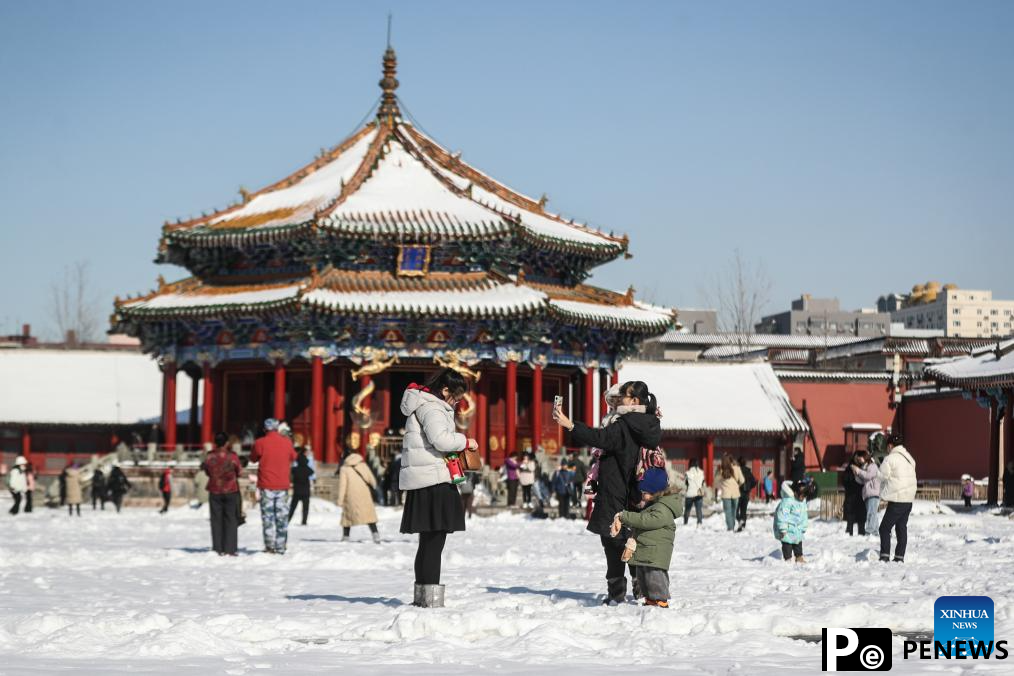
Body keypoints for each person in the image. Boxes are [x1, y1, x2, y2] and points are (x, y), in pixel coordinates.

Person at [553, 380, 661, 606]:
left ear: (634, 401)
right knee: (632, 539)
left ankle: (616, 593)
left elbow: (600, 438)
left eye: (624, 395)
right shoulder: (648, 423)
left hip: (615, 491)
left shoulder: (624, 424)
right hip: (636, 494)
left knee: (613, 542)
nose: (619, 398)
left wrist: (570, 425)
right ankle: (640, 587)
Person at [399, 370, 477, 608]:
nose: (457, 402)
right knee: (434, 542)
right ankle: (430, 600)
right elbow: (441, 440)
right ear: (445, 391)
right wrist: (466, 441)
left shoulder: (422, 404)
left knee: (428, 542)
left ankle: (422, 595)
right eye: (457, 397)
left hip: (425, 479)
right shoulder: (432, 407)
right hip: (434, 479)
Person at [611, 467, 683, 607]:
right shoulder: (654, 505)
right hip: (647, 550)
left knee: (655, 577)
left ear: (655, 491)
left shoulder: (662, 508)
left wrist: (626, 516)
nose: (642, 494)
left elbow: (646, 520)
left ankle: (660, 601)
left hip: (655, 553)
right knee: (643, 577)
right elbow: (643, 523)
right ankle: (650, 600)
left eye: (644, 492)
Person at [250, 418, 297, 554]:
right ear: (277, 428)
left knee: (268, 517)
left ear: (265, 429)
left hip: (266, 485)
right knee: (282, 517)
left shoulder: (260, 443)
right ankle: (281, 545)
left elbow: (253, 458)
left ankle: (269, 546)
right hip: (282, 485)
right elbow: (294, 457)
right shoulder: (287, 442)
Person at [878, 434, 917, 563]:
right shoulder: (909, 458)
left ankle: (884, 556)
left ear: (890, 446)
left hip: (897, 499)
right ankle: (899, 557)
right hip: (908, 499)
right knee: (901, 527)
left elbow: (881, 476)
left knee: (884, 528)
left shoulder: (890, 459)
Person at [202, 432, 242, 556]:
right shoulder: (233, 456)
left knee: (216, 519)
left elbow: (207, 471)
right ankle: (230, 549)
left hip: (215, 490)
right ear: (226, 443)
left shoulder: (209, 456)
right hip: (231, 490)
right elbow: (239, 471)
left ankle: (218, 548)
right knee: (231, 519)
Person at [337, 452, 381, 543]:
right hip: (365, 494)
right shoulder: (363, 465)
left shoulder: (344, 469)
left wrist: (340, 500)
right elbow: (372, 481)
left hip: (350, 495)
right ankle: (375, 535)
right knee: (369, 516)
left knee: (347, 516)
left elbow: (343, 485)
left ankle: (345, 536)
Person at [774, 479, 810, 563]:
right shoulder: (787, 501)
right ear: (795, 492)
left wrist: (804, 526)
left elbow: (804, 514)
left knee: (798, 543)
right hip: (788, 529)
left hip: (797, 528)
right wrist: (783, 528)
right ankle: (788, 559)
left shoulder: (803, 502)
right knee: (787, 544)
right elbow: (782, 515)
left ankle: (799, 557)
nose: (803, 498)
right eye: (801, 495)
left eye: (804, 496)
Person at [852, 452, 880, 536]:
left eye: (860, 458)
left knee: (871, 513)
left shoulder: (872, 466)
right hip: (867, 493)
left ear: (865, 457)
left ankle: (869, 531)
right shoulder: (864, 467)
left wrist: (859, 471)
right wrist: (856, 474)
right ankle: (875, 531)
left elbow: (868, 476)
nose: (859, 460)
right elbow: (862, 481)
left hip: (873, 492)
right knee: (872, 512)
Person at [714, 455, 745, 532]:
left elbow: (716, 481)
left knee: (728, 511)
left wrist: (722, 484)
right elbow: (742, 480)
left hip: (726, 494)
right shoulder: (737, 468)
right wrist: (737, 485)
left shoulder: (721, 470)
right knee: (734, 511)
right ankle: (732, 526)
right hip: (735, 493)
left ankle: (730, 528)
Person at [841, 452, 866, 536]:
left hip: (859, 495)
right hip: (851, 495)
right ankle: (849, 533)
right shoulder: (849, 468)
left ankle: (861, 533)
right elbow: (845, 481)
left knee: (861, 516)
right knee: (851, 517)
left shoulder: (863, 468)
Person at [288, 451, 313, 526]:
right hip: (306, 492)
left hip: (297, 491)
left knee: (292, 507)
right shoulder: (308, 470)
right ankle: (304, 521)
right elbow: (312, 472)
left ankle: (288, 520)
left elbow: (291, 475)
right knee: (305, 508)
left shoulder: (294, 470)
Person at [683, 458, 705, 527]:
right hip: (698, 494)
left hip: (690, 494)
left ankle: (685, 522)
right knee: (699, 510)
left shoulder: (687, 473)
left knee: (687, 510)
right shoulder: (701, 472)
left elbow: (686, 484)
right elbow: (703, 483)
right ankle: (699, 523)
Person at [736, 457, 756, 531]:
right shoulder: (748, 472)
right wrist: (749, 487)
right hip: (746, 493)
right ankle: (743, 526)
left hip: (738, 493)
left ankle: (739, 522)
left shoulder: (737, 471)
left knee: (736, 510)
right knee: (743, 511)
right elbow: (754, 482)